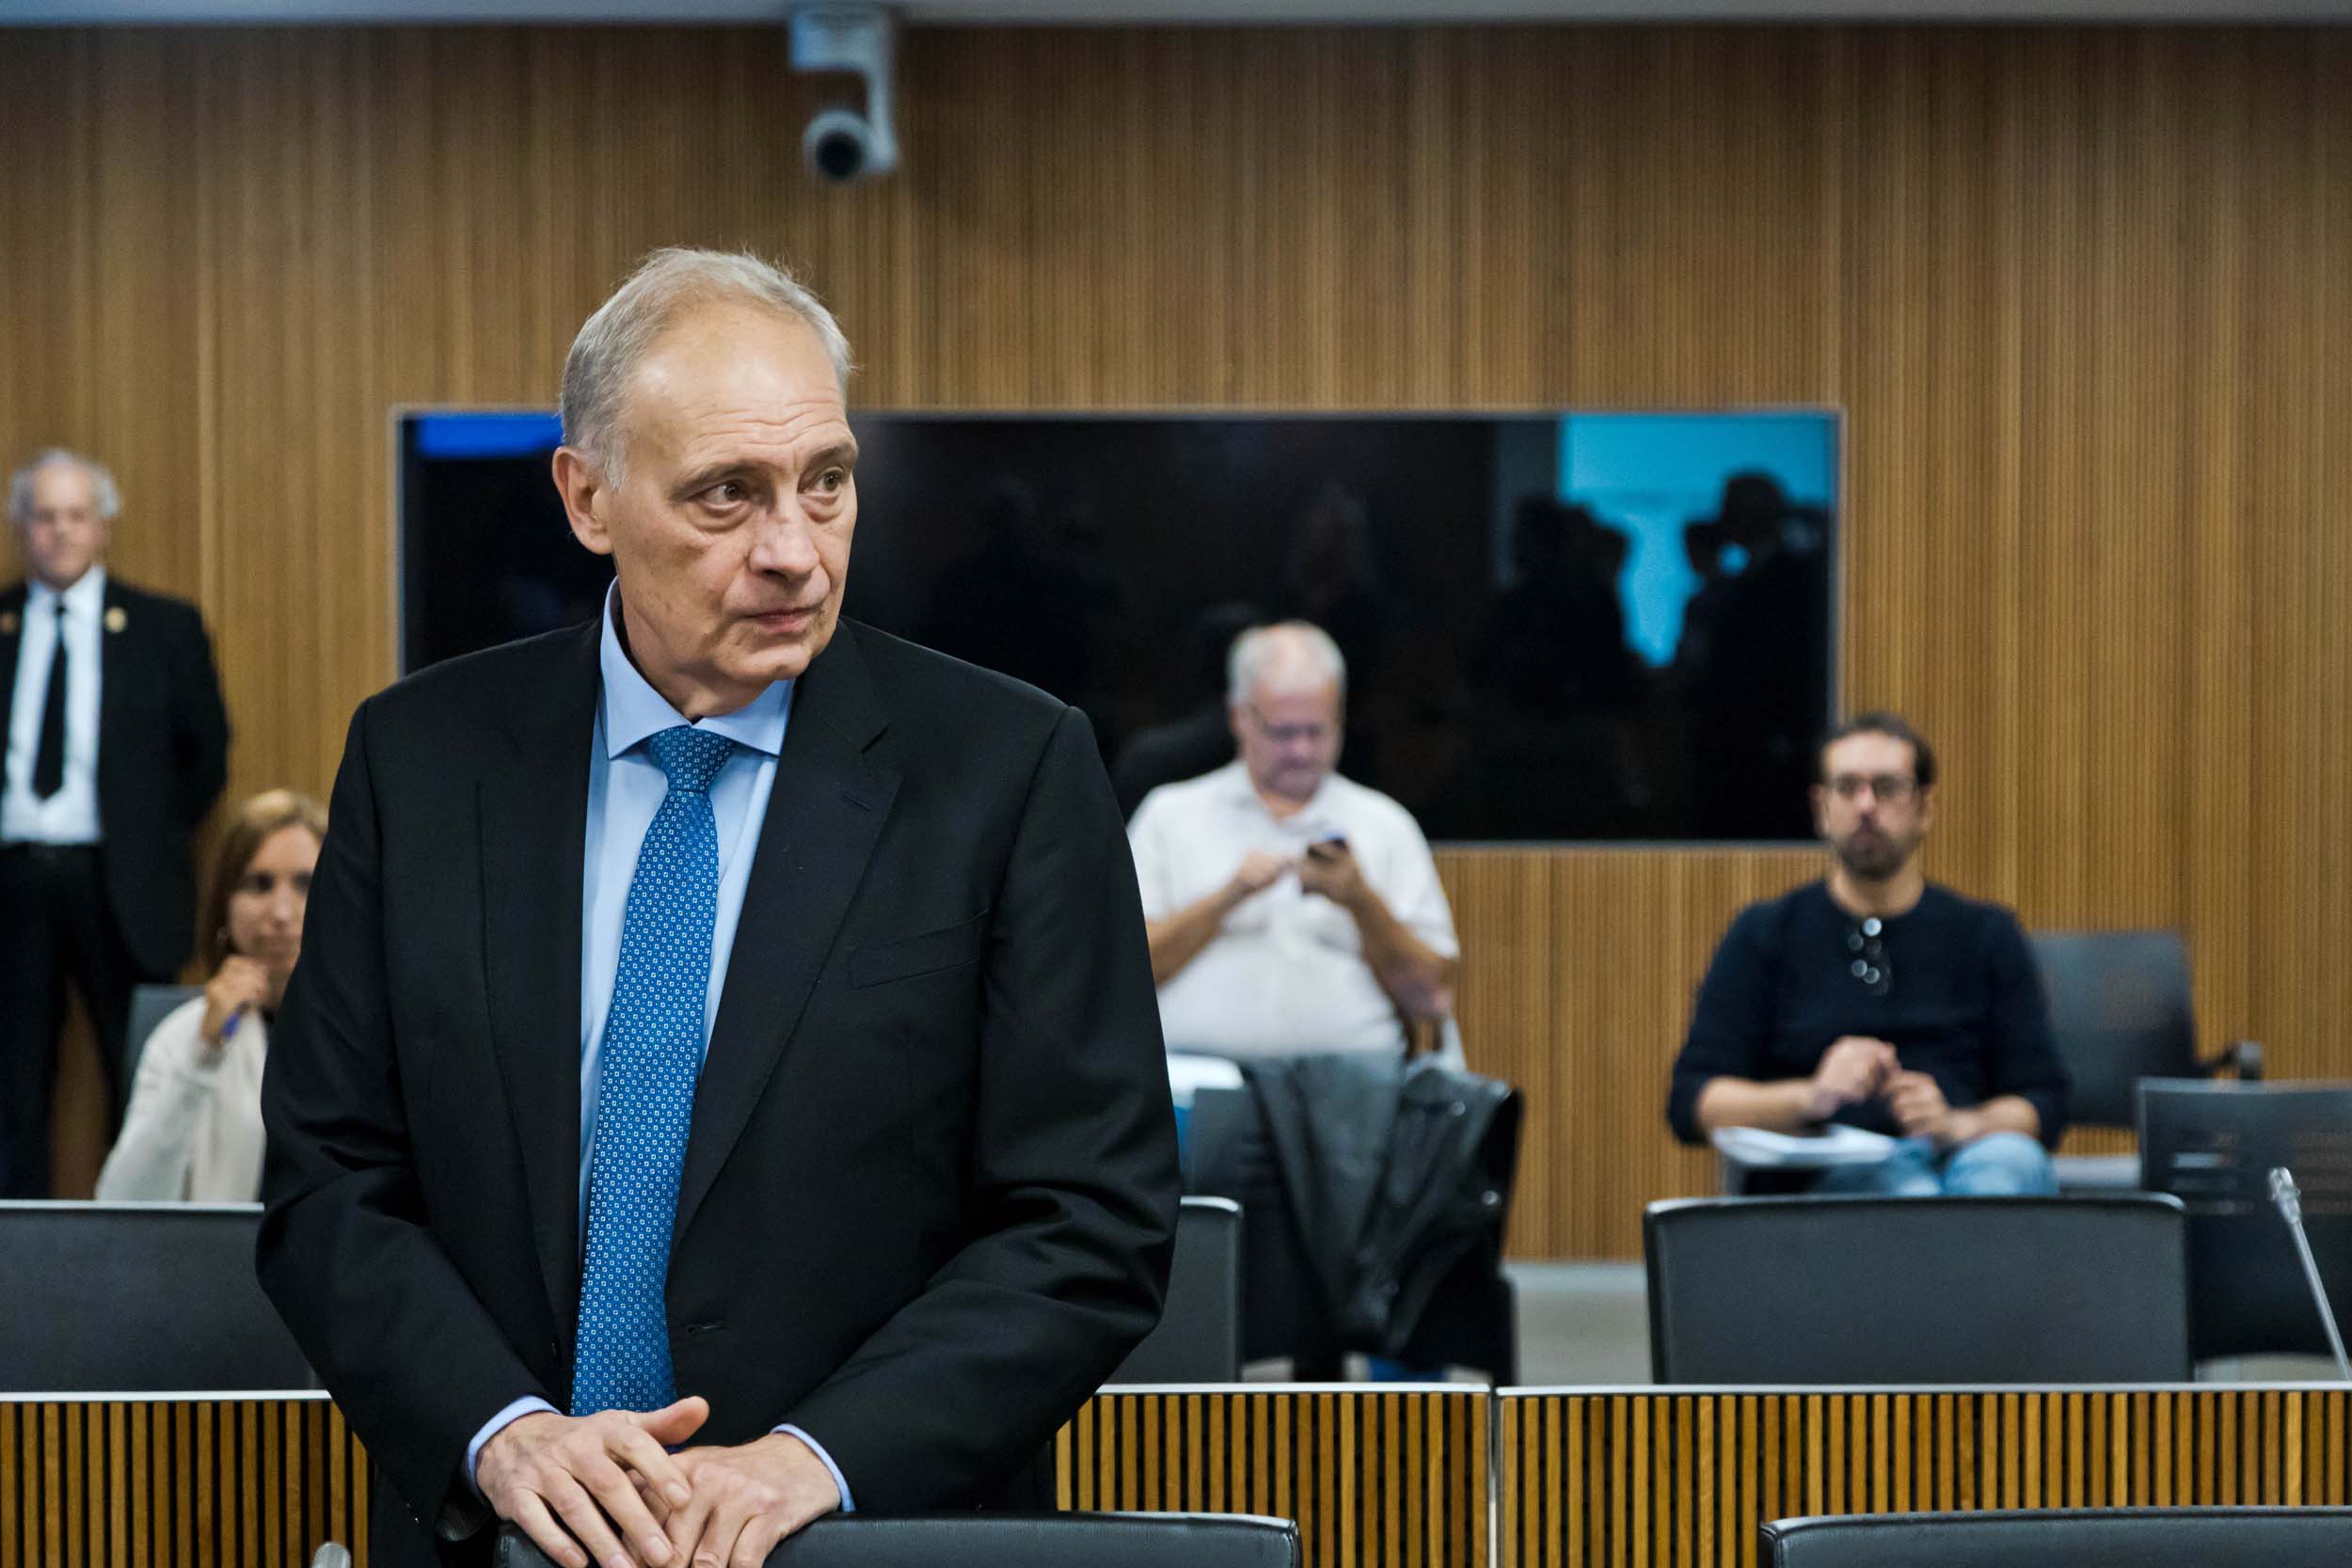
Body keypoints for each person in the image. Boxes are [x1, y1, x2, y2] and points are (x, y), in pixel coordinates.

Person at [257, 249, 1177, 1568]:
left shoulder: (1009, 767)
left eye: (827, 481)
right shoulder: (420, 759)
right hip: (502, 1531)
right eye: (726, 494)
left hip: (863, 1536)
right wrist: (503, 1430)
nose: (794, 551)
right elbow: (329, 1178)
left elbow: (1090, 1214)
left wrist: (817, 1455)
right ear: (587, 497)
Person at [1666, 711, 2069, 1195]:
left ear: (1924, 807)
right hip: (1826, 1173)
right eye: (1847, 787)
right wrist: (1812, 1096)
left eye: (1887, 787)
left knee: (2011, 1163)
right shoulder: (1765, 933)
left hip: (1962, 1155)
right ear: (1821, 808)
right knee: (1904, 1192)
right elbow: (1693, 1102)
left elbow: (2043, 1102)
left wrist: (1957, 1123)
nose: (1866, 806)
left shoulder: (1984, 933)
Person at [1, 449, 231, 1196]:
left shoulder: (165, 626)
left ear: (102, 526)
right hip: (13, 883)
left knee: (138, 1077)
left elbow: (206, 756)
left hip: (120, 883)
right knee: (13, 1089)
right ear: (22, 527)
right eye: (44, 516)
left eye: (76, 515)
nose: (60, 531)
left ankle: (133, 1245)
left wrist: (146, 837)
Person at [1128, 621, 1459, 1060]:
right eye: (1283, 732)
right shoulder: (1169, 816)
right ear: (1239, 717)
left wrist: (1361, 901)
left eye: (1317, 731)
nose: (1302, 751)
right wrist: (1226, 899)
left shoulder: (1386, 824)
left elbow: (1432, 997)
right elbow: (1124, 976)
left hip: (1354, 1087)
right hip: (1198, 1082)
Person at [96, 789, 324, 1202]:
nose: (282, 913)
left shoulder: (373, 1033)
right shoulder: (184, 1036)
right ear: (224, 906)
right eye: (259, 884)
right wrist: (201, 1057)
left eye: (306, 884)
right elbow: (123, 1206)